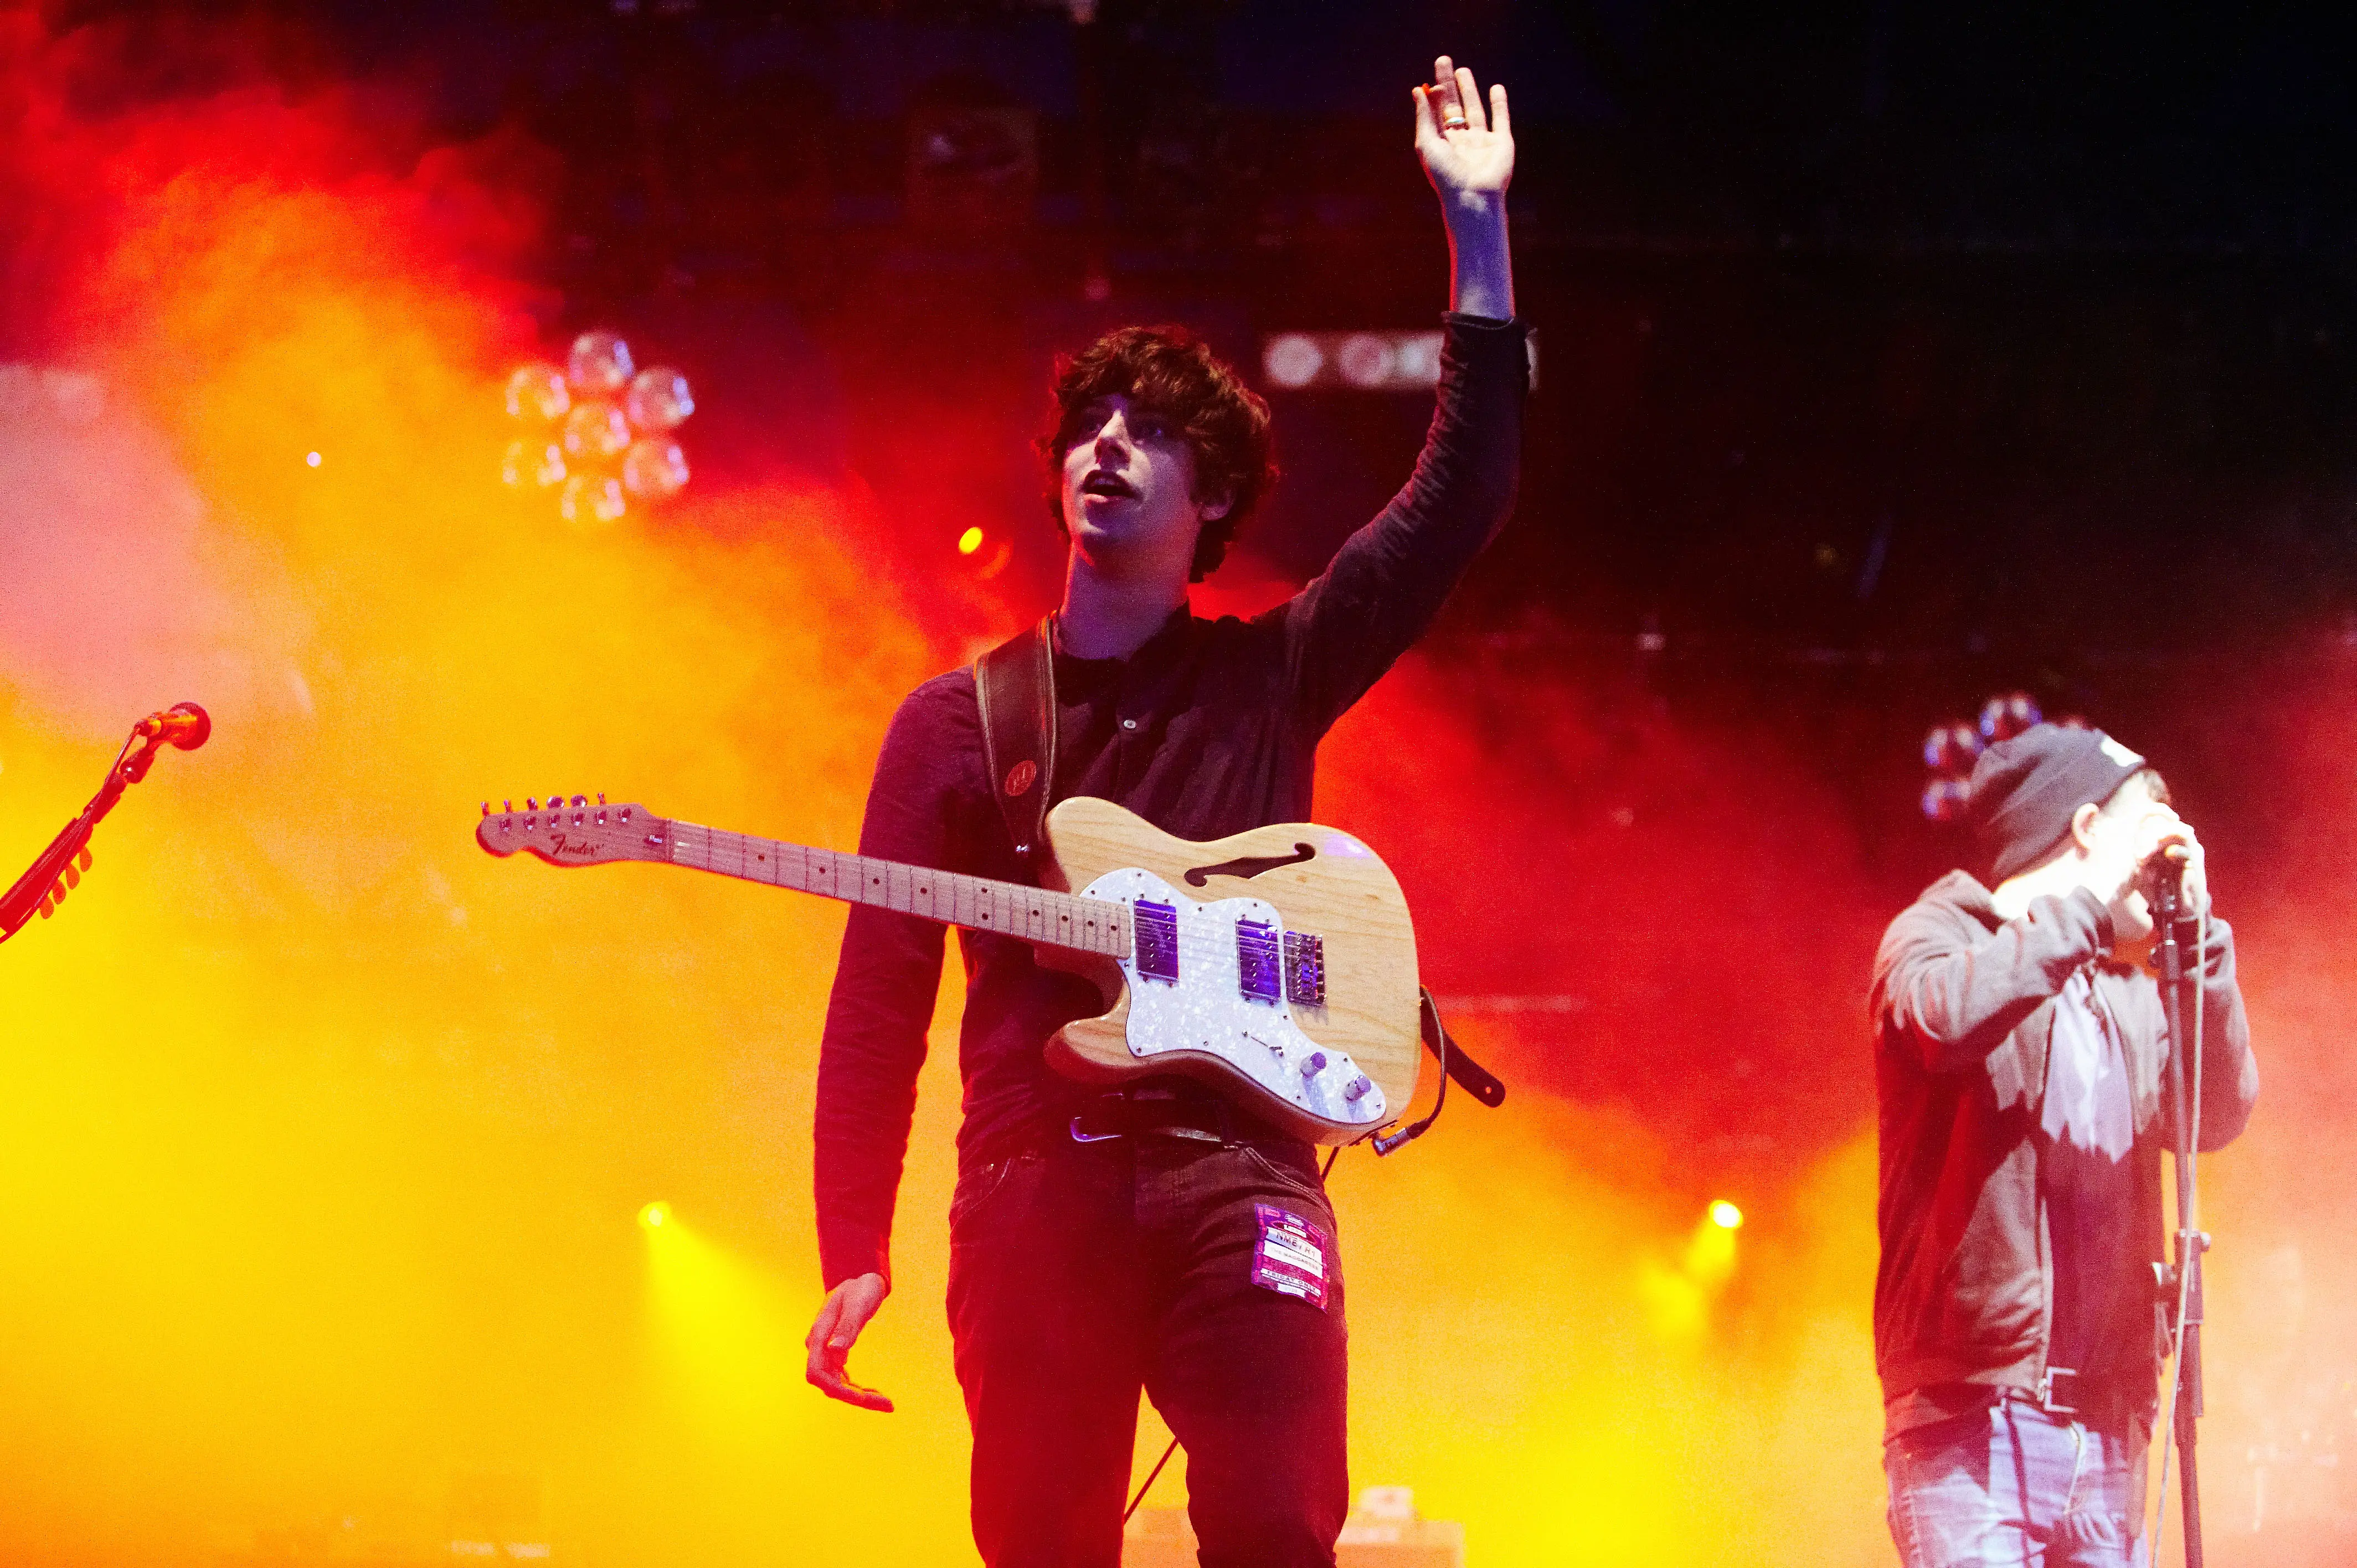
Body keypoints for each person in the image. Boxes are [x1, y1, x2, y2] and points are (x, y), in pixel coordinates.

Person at [801, 56, 1525, 1568]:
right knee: (1046, 1538)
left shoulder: (1270, 677)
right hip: (1029, 1177)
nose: (1108, 447)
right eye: (1091, 426)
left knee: (1273, 1524)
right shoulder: (960, 724)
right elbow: (881, 990)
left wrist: (1477, 237)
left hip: (1238, 1168)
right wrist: (850, 1245)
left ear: (1215, 504)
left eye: (1153, 433)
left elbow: (1459, 494)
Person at [1871, 723, 2260, 1567]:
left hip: (2110, 1431)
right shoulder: (1935, 937)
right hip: (1975, 1426)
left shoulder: (2123, 992)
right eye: (2151, 824)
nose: (2167, 855)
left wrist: (2197, 945)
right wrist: (2087, 903)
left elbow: (2220, 1111)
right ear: (2086, 832)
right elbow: (1945, 1021)